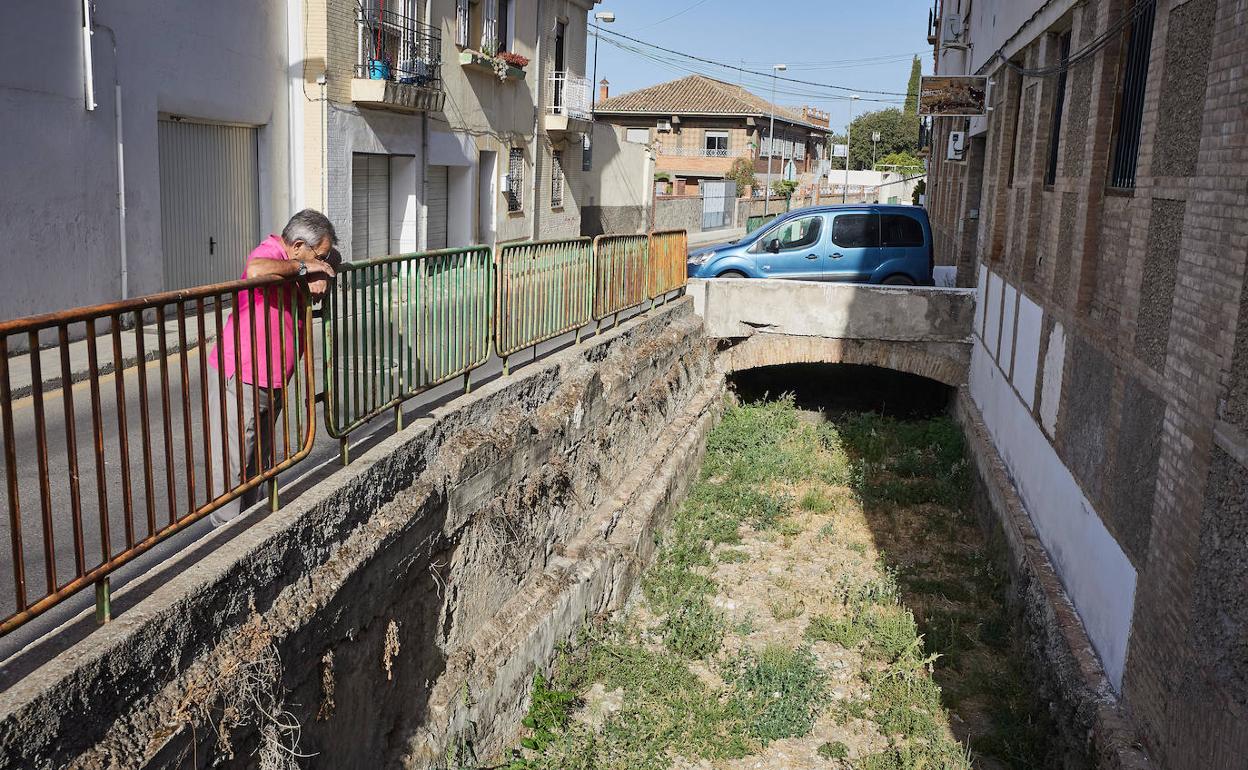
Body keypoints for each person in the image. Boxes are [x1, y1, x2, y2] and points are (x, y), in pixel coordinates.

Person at [206, 209, 338, 526]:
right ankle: (224, 538)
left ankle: (248, 526)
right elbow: (255, 270)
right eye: (319, 255)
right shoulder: (270, 253)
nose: (323, 260)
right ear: (296, 246)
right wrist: (307, 267)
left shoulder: (298, 262)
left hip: (272, 379)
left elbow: (328, 260)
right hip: (242, 376)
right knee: (235, 466)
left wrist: (320, 268)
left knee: (258, 462)